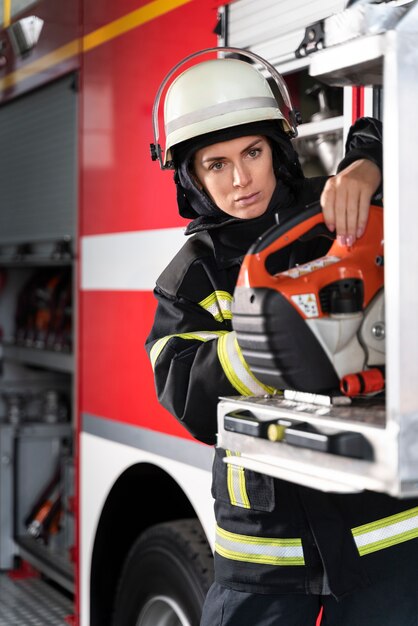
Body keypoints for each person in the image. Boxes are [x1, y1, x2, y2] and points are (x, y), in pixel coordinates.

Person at [146, 51, 418, 626]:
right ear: (190, 178)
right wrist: (270, 337)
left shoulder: (339, 213)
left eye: (252, 152)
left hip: (380, 529)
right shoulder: (190, 275)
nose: (240, 179)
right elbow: (186, 395)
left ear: (278, 149)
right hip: (267, 548)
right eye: (215, 165)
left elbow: (404, 124)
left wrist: (370, 165)